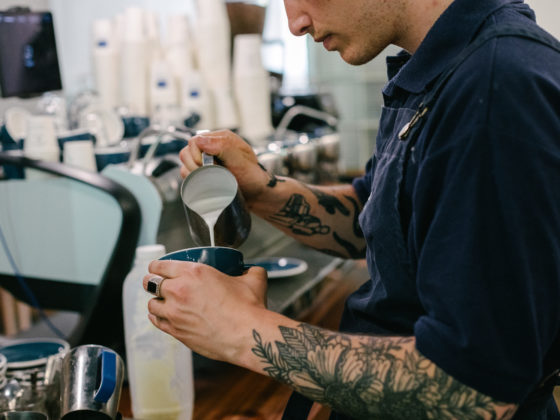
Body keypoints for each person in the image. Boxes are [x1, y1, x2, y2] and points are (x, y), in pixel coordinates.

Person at [143, 0, 560, 418]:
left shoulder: (494, 84)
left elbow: (475, 386)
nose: (294, 24)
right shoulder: (442, 68)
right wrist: (263, 190)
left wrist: (240, 328)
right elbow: (380, 219)